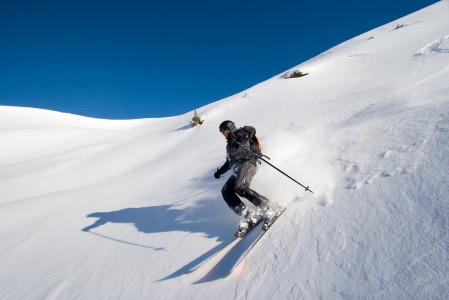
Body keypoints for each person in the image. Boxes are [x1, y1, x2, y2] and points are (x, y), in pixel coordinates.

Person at [214, 120, 275, 235]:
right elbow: (229, 162)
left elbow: (252, 130)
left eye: (224, 131)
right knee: (226, 191)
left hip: (248, 164)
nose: (223, 134)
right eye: (222, 132)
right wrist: (219, 172)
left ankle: (269, 207)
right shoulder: (229, 146)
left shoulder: (241, 134)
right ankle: (247, 215)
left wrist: (241, 132)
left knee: (240, 187)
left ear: (230, 128)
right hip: (237, 169)